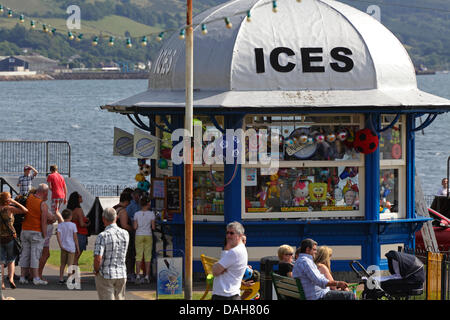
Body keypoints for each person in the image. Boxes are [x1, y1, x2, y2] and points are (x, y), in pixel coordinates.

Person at [93, 207, 129, 300]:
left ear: (103, 219)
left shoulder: (102, 236)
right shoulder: (125, 233)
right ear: (116, 218)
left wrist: (96, 270)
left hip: (106, 273)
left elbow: (98, 258)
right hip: (121, 273)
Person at [19, 184, 50, 285]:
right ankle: (36, 278)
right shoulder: (43, 204)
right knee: (35, 255)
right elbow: (44, 222)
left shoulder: (29, 198)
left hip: (25, 230)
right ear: (44, 192)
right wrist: (45, 235)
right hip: (36, 232)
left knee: (25, 254)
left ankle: (22, 277)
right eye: (47, 193)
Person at [211, 221, 248, 300]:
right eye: (227, 233)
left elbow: (215, 271)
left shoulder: (234, 252)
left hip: (225, 295)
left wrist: (216, 265)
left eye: (231, 233)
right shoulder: (238, 250)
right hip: (229, 294)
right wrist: (219, 266)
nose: (228, 235)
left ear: (240, 235)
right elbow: (219, 268)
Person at [0, 192, 28, 290]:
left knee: (1, 262)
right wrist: (14, 201)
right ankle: (11, 279)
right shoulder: (9, 209)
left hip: (0, 238)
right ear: (7, 200)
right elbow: (25, 210)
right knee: (11, 260)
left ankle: (2, 283)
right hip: (10, 237)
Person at [132, 195, 155, 284]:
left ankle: (138, 276)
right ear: (148, 204)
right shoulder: (151, 214)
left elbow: (135, 226)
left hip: (139, 235)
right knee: (148, 256)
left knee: (138, 256)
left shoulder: (136, 214)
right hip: (148, 235)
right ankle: (147, 276)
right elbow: (153, 227)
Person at [56, 209, 80, 284]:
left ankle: (61, 278)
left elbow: (58, 235)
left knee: (62, 264)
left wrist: (60, 244)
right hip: (71, 247)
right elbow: (75, 237)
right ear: (70, 217)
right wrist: (77, 247)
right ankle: (69, 278)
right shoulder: (73, 225)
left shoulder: (60, 225)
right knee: (70, 264)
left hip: (63, 247)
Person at [67, 192, 90, 266]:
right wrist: (88, 224)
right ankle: (74, 275)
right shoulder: (79, 210)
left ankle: (71, 274)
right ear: (77, 199)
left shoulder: (69, 210)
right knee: (76, 257)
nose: (81, 198)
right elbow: (81, 224)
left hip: (72, 233)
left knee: (73, 256)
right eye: (80, 197)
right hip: (80, 233)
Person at [124, 189, 142, 282]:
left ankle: (133, 271)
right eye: (137, 195)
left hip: (139, 230)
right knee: (131, 252)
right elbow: (127, 217)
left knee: (136, 252)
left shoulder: (140, 204)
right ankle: (129, 271)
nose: (138, 197)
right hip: (133, 230)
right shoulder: (131, 206)